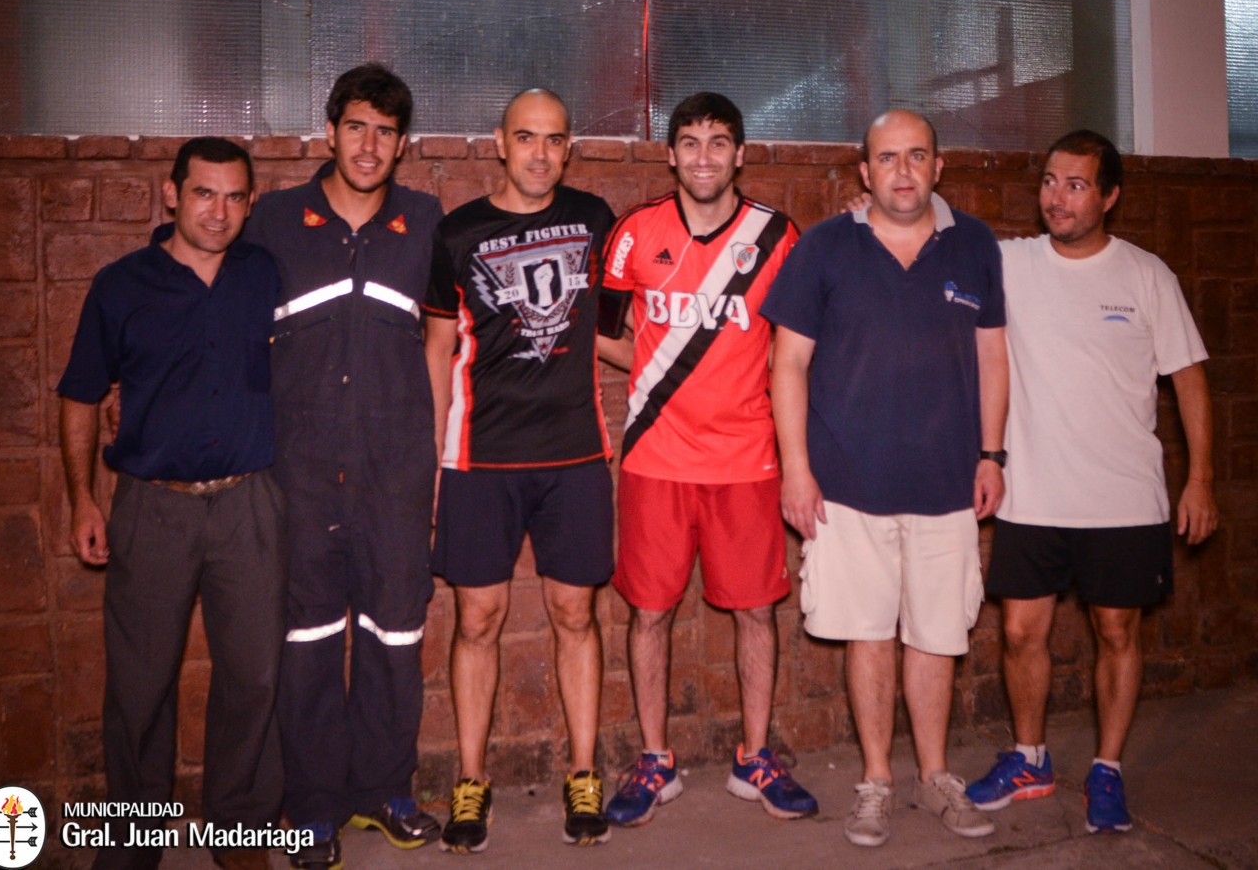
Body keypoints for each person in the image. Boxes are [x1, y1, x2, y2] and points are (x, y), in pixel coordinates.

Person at [764, 109, 1007, 848]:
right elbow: (788, 365)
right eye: (886, 158)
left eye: (917, 156)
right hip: (846, 487)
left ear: (939, 166)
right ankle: (876, 780)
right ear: (864, 172)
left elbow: (994, 358)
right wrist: (797, 471)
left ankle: (936, 777)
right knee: (867, 635)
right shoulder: (824, 247)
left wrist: (992, 455)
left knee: (936, 637)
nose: (902, 170)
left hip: (946, 485)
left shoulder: (977, 246)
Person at [965, 130, 1218, 833]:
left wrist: (1201, 480)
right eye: (1050, 181)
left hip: (1123, 495)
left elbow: (1189, 379)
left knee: (1117, 631)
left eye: (1076, 185)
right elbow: (935, 238)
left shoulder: (1146, 275)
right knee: (1020, 633)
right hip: (1033, 491)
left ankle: (1106, 769)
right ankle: (1030, 757)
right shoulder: (1008, 263)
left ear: (1109, 196)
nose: (1058, 197)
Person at [59, 137, 283, 870]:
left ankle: (238, 826)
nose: (219, 212)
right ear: (170, 193)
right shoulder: (122, 286)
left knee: (252, 675)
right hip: (152, 509)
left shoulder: (265, 277)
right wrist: (83, 502)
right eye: (203, 193)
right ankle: (133, 838)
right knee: (139, 684)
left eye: (234, 196)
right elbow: (81, 395)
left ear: (250, 203)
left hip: (249, 507)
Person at [598, 91, 818, 829]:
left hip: (747, 461)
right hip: (655, 460)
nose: (703, 155)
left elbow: (795, 354)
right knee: (650, 613)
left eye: (718, 142)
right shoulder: (635, 232)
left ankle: (755, 757)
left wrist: (794, 461)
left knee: (757, 612)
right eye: (689, 142)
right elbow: (605, 332)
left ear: (740, 153)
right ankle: (655, 760)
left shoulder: (779, 237)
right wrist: (655, 377)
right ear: (670, 154)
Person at [243, 63, 442, 868]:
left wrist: (429, 455)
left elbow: (446, 335)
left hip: (395, 469)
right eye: (356, 126)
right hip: (300, 469)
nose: (369, 146)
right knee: (310, 637)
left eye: (385, 132)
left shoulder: (426, 222)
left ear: (402, 144)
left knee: (397, 633)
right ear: (330, 130)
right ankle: (314, 804)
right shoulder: (273, 219)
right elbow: (219, 304)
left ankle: (384, 791)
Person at [423, 88, 625, 853]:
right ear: (499, 145)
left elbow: (612, 333)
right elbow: (438, 348)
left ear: (569, 148)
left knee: (577, 615)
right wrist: (428, 452)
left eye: (554, 140)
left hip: (575, 454)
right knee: (478, 619)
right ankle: (470, 783)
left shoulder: (596, 219)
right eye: (526, 138)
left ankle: (582, 773)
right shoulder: (457, 234)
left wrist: (685, 369)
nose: (541, 153)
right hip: (481, 457)